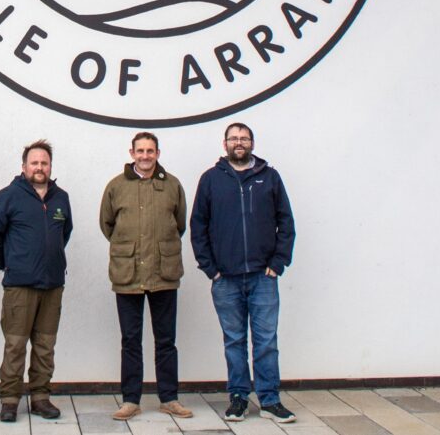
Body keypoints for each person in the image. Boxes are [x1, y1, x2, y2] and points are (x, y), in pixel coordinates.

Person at [189, 122, 297, 424]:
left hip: (264, 276)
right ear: (224, 144)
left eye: (244, 138)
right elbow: (198, 225)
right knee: (234, 341)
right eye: (234, 138)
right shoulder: (211, 180)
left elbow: (285, 222)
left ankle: (269, 399)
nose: (239, 142)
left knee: (266, 341)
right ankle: (238, 397)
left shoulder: (269, 177)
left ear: (252, 142)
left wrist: (278, 263)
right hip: (226, 278)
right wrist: (211, 269)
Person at [100, 132, 194, 421]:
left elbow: (179, 224)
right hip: (128, 274)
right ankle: (131, 400)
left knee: (166, 339)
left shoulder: (172, 185)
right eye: (140, 151)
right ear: (131, 153)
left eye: (150, 151)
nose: (145, 156)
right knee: (130, 340)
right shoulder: (116, 187)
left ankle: (169, 398)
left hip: (163, 274)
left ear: (158, 153)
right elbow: (107, 224)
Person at [0, 140, 73, 423]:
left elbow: (64, 233)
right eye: (34, 163)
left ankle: (40, 398)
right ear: (24, 167)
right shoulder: (9, 195)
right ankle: (9, 400)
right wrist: (9, 263)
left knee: (45, 346)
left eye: (44, 163)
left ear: (50, 167)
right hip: (20, 286)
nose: (39, 167)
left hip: (52, 285)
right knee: (15, 345)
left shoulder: (61, 198)